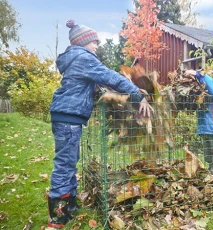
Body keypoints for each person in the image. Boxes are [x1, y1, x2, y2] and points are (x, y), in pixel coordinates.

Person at [47, 19, 154, 228]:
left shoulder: (75, 59)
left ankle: (70, 206)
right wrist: (136, 95)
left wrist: (101, 91)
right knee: (65, 164)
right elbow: (110, 76)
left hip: (66, 115)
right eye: (93, 42)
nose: (96, 45)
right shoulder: (83, 58)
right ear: (82, 42)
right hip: (68, 117)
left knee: (70, 160)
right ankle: (58, 216)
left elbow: (95, 82)